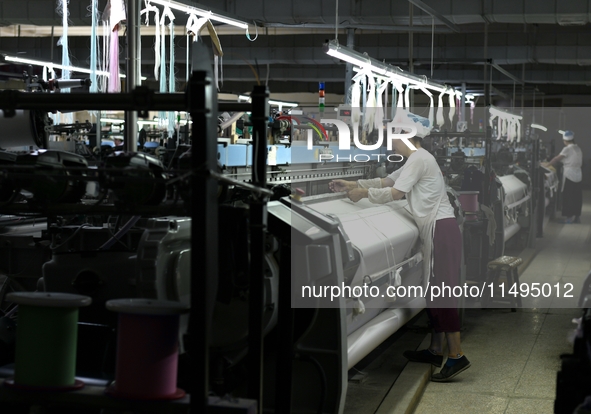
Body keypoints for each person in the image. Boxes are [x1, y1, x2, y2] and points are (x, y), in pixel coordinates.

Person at [329, 134, 470, 382]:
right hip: (435, 229)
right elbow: (386, 180)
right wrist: (352, 185)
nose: (389, 145)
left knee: (442, 290)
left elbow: (394, 194)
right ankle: (436, 350)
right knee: (432, 288)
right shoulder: (414, 160)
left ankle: (457, 355)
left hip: (441, 229)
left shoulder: (419, 159)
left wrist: (363, 194)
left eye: (393, 139)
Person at [543, 130, 583, 224]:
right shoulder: (578, 148)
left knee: (568, 195)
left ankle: (569, 218)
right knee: (577, 196)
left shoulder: (567, 148)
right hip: (578, 174)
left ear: (565, 140)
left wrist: (547, 164)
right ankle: (577, 217)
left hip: (569, 174)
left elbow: (557, 158)